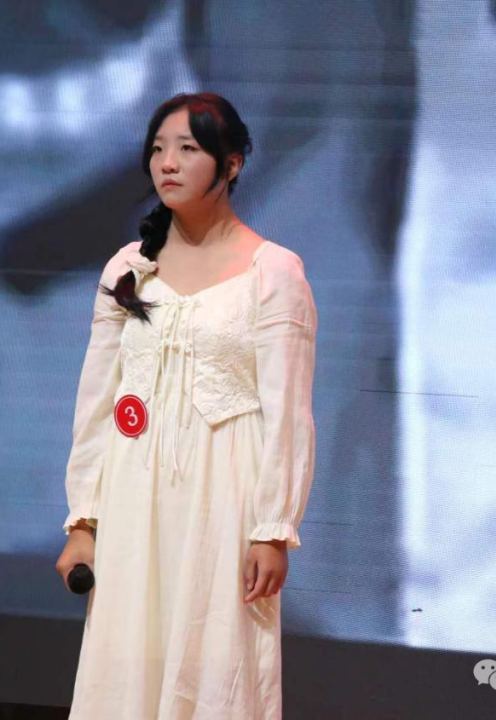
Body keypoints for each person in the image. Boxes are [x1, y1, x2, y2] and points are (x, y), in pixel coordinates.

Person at [54, 92, 317, 719]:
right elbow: (98, 403)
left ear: (232, 164)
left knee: (216, 666)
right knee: (126, 667)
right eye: (157, 149)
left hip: (224, 499)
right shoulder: (128, 269)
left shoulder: (273, 272)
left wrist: (272, 528)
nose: (167, 163)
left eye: (188, 149)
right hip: (133, 495)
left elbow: (287, 412)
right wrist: (83, 521)